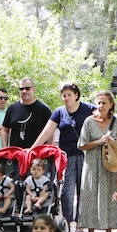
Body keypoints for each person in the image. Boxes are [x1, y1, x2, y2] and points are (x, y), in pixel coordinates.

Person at [34, 83, 94, 222]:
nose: (66, 98)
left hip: (86, 155)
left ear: (76, 95)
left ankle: (80, 222)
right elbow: (47, 131)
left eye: (69, 95)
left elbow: (105, 116)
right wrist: (33, 148)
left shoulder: (88, 109)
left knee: (84, 191)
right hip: (66, 156)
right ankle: (67, 222)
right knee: (66, 192)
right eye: (64, 95)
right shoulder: (59, 112)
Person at [76, 89, 117, 232]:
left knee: (111, 194)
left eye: (104, 103)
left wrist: (116, 141)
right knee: (91, 194)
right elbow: (81, 145)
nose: (100, 106)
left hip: (110, 164)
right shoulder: (89, 121)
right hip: (92, 164)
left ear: (111, 104)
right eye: (98, 103)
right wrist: (100, 141)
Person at [1, 78, 51, 148]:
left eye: (27, 88)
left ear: (34, 89)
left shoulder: (44, 110)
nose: (24, 91)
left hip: (36, 155)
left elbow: (50, 134)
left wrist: (47, 154)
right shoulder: (12, 109)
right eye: (21, 89)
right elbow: (4, 130)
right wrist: (5, 148)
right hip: (16, 154)